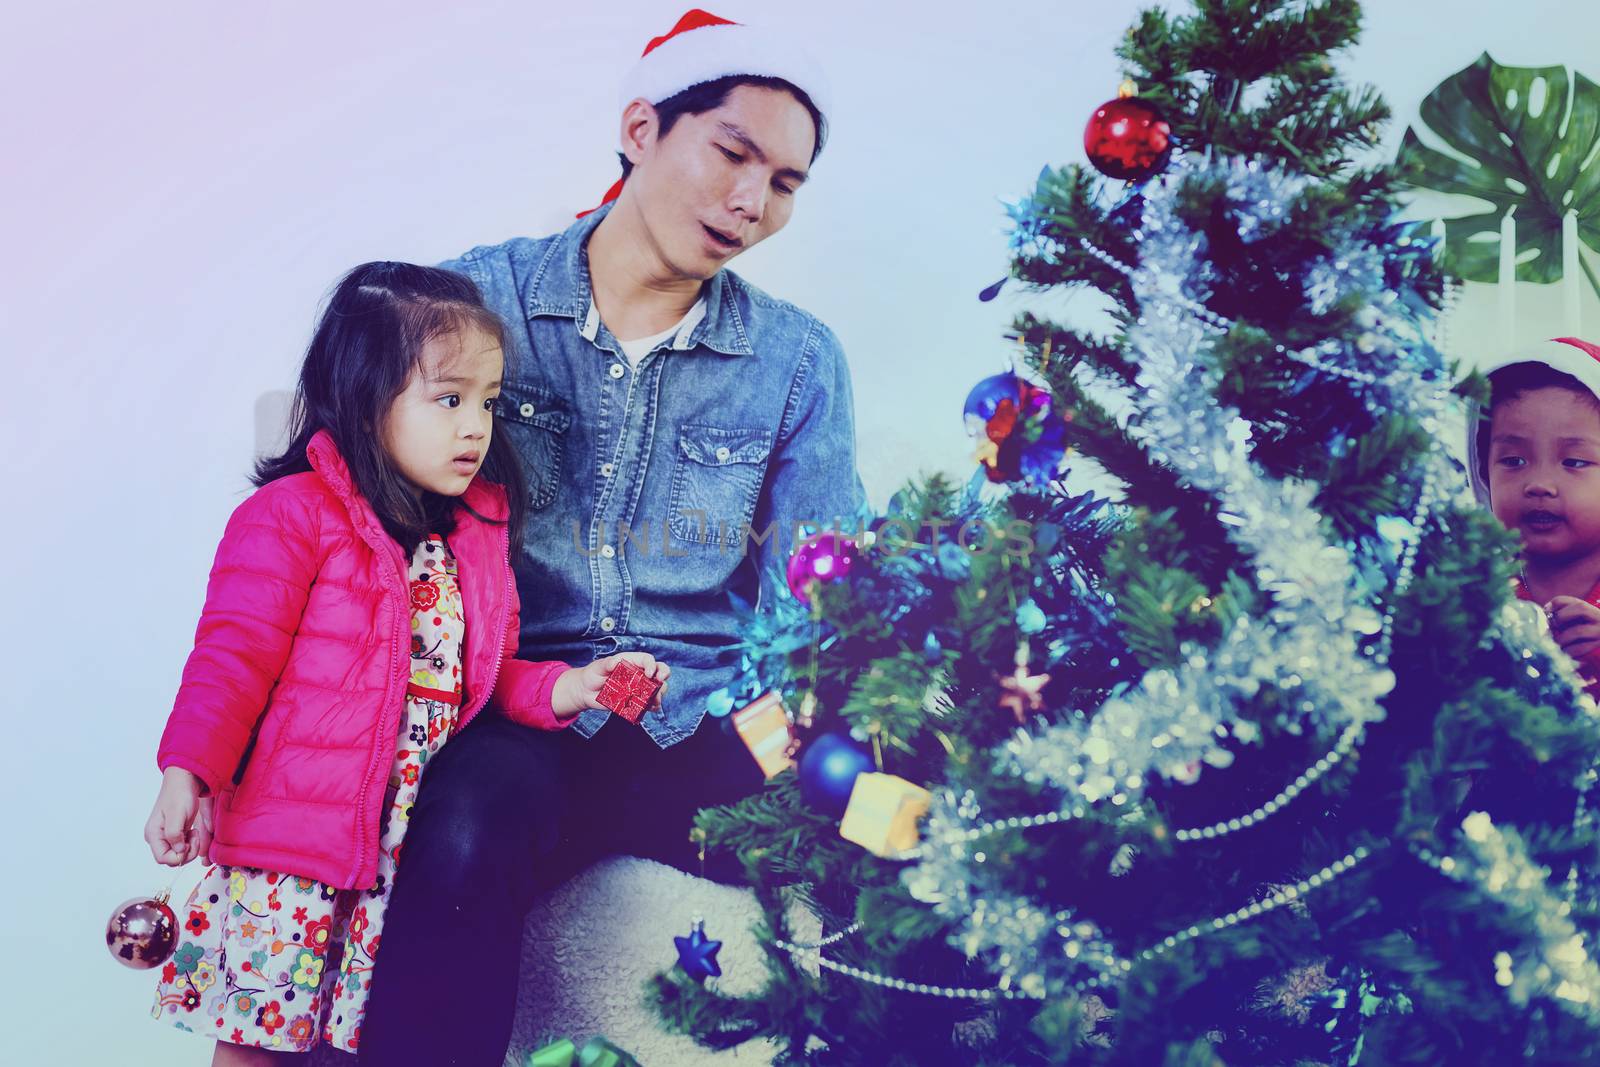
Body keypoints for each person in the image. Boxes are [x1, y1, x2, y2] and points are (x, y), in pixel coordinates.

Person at [356, 10, 867, 1066]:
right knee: (460, 827)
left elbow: (820, 595)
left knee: (899, 821)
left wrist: (814, 739)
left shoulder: (800, 361)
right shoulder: (472, 303)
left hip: (714, 723)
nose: (749, 202)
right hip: (520, 713)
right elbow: (353, 517)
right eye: (732, 152)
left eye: (783, 184)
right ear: (641, 127)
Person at [145, 262, 667, 1062]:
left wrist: (571, 688)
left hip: (389, 850)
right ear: (364, 397)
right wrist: (188, 769)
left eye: (488, 403)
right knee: (257, 1042)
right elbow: (230, 658)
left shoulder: (469, 538)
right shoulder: (291, 517)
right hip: (295, 846)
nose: (476, 428)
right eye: (449, 399)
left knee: (344, 1040)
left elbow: (484, 677)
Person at [1471, 336, 1600, 696]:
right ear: (1483, 471)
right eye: (1513, 461)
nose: (1540, 484)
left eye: (1574, 462)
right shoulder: (1478, 586)